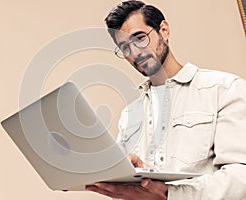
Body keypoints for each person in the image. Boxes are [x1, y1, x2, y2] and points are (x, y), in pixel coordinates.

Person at [85, 0, 246, 199]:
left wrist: (169, 194)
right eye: (124, 47)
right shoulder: (130, 115)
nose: (134, 52)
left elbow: (241, 179)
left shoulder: (224, 89)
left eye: (140, 38)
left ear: (164, 30)